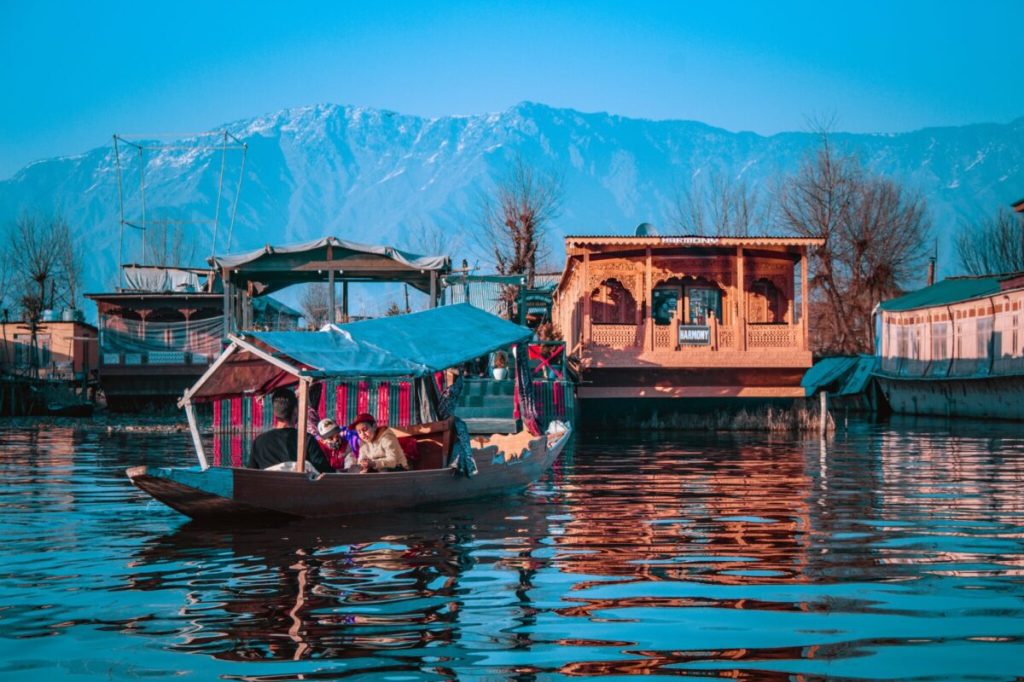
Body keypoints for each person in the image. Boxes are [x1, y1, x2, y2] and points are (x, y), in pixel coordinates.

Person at [249, 388, 335, 473]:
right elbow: (325, 474)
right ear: (295, 410)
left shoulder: (258, 442)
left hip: (267, 486)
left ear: (275, 412)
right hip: (299, 486)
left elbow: (251, 475)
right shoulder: (307, 440)